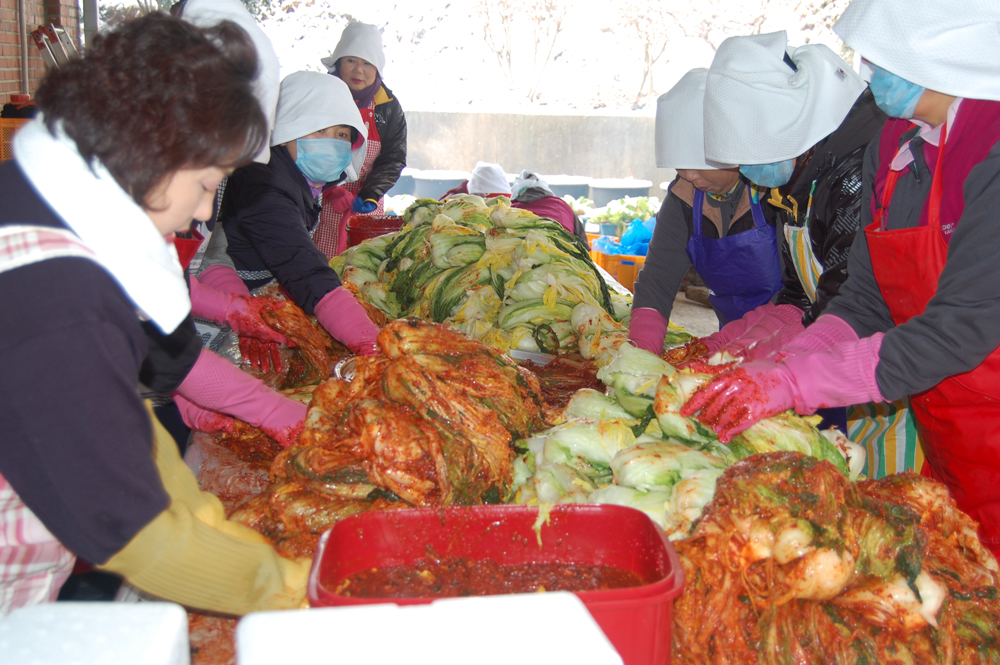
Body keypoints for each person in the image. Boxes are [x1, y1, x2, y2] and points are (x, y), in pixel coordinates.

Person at [0, 14, 308, 614]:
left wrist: (209, 522)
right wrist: (299, 593)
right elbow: (136, 531)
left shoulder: (34, 203)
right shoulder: (55, 297)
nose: (199, 217)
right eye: (204, 185)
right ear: (155, 152)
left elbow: (127, 439)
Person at [682, 0, 1000, 558]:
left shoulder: (990, 153)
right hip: (947, 421)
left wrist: (798, 384)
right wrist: (790, 363)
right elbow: (867, 298)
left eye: (879, 58)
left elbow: (960, 329)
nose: (867, 72)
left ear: (936, 50)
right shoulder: (896, 141)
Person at [680, 31, 886, 365]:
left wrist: (770, 362)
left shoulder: (852, 179)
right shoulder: (794, 186)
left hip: (874, 368)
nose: (746, 171)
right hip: (830, 358)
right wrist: (732, 345)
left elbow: (845, 305)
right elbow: (797, 299)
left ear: (788, 132)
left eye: (751, 154)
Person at [216, 71, 381, 356]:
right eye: (318, 130)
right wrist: (368, 341)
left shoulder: (295, 179)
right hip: (218, 311)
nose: (331, 142)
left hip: (250, 303)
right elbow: (301, 265)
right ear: (285, 130)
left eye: (342, 134)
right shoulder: (262, 185)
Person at [628, 68, 781, 355]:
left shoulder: (775, 192)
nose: (689, 175)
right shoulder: (684, 196)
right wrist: (641, 354)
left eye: (699, 165)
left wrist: (733, 341)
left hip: (796, 343)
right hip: (732, 344)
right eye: (679, 165)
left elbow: (802, 295)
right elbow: (658, 281)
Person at [315, 21, 407, 257]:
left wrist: (370, 193)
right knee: (320, 268)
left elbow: (393, 158)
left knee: (362, 271)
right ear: (338, 62)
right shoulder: (320, 97)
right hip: (321, 202)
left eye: (367, 63)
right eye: (351, 60)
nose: (359, 70)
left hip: (367, 205)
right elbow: (303, 150)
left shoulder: (388, 107)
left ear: (377, 68)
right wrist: (328, 189)